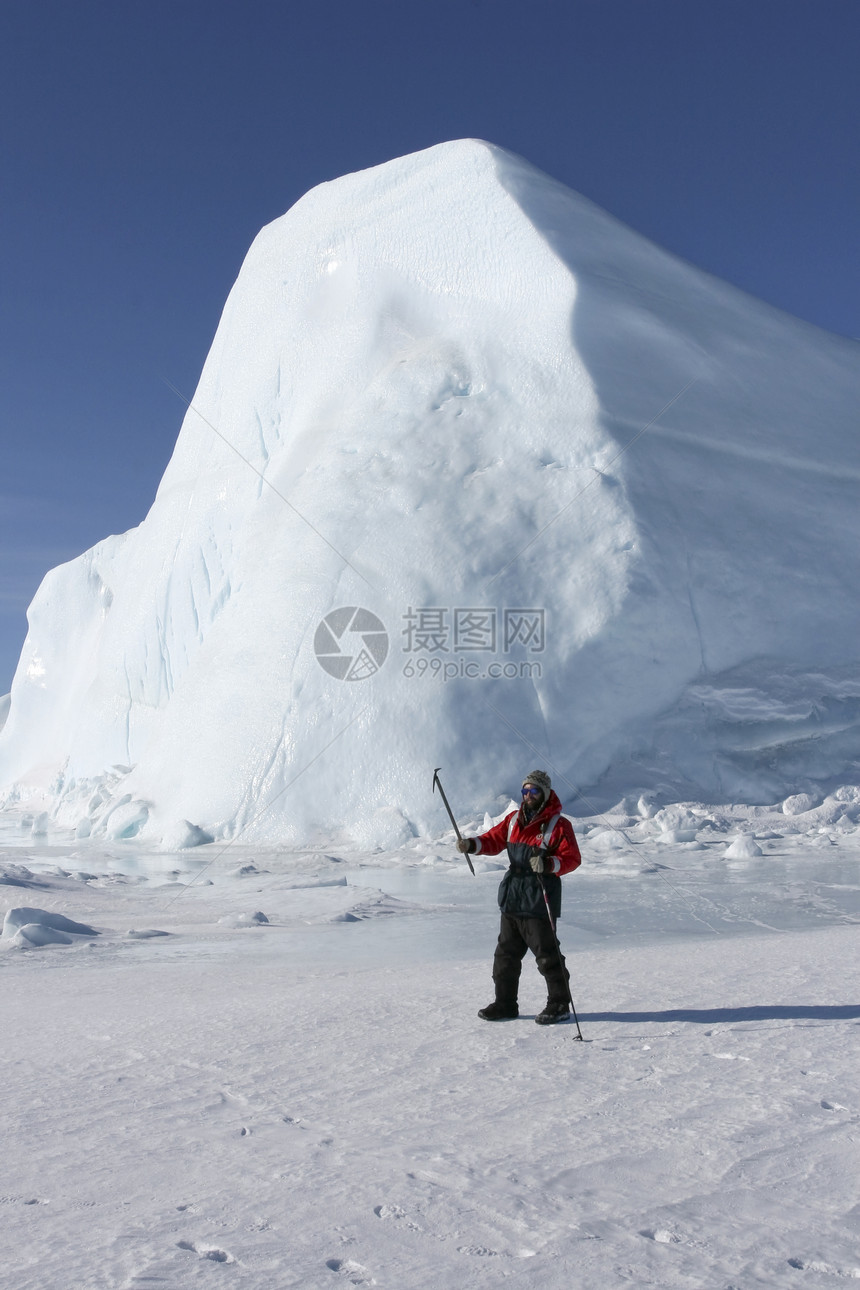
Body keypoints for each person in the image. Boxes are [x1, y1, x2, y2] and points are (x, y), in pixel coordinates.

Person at [457, 769, 581, 1025]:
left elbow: (572, 859)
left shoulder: (559, 825)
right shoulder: (514, 820)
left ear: (545, 793)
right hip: (513, 896)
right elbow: (493, 840)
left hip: (539, 897)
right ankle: (505, 1003)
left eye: (534, 791)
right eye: (525, 790)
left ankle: (558, 1004)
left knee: (547, 955)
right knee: (505, 955)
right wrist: (472, 845)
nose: (528, 795)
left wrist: (548, 864)